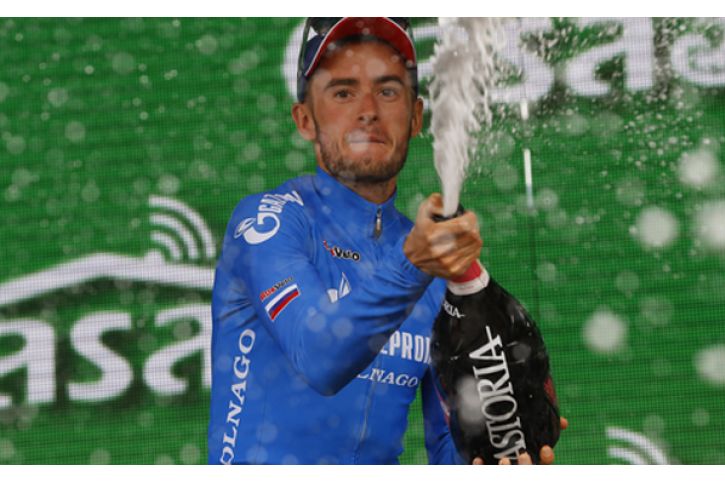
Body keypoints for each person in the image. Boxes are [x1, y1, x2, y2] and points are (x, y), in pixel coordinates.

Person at [207, 17, 566, 465]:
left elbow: (446, 443)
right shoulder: (268, 222)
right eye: (343, 92)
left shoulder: (431, 267)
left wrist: (496, 457)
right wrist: (413, 263)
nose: (368, 110)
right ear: (305, 119)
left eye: (388, 91)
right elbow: (319, 357)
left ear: (415, 118)